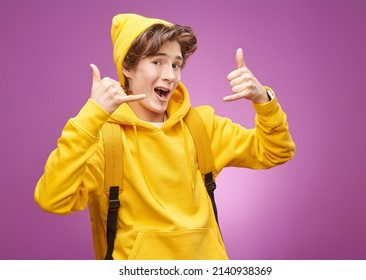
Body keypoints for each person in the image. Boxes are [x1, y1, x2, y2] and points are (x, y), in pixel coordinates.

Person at [34, 13, 295, 260]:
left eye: (176, 64)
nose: (170, 76)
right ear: (128, 67)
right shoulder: (104, 138)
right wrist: (92, 115)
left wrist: (264, 100)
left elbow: (276, 151)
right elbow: (53, 198)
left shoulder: (201, 126)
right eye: (157, 62)